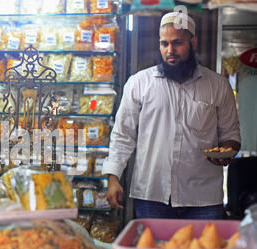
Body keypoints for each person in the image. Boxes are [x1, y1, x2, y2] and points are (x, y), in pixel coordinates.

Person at [103, 12, 241, 219]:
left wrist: (228, 150)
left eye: (177, 43)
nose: (170, 51)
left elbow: (231, 133)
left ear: (193, 43)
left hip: (203, 199)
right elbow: (123, 134)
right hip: (152, 194)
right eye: (164, 43)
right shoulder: (139, 83)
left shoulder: (217, 85)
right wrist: (113, 179)